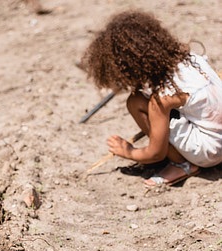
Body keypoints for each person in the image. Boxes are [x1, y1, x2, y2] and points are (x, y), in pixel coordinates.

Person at [81, 10, 222, 186]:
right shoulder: (192, 58)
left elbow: (156, 153)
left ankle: (182, 164)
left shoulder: (164, 98)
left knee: (136, 102)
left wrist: (128, 151)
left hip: (211, 152)